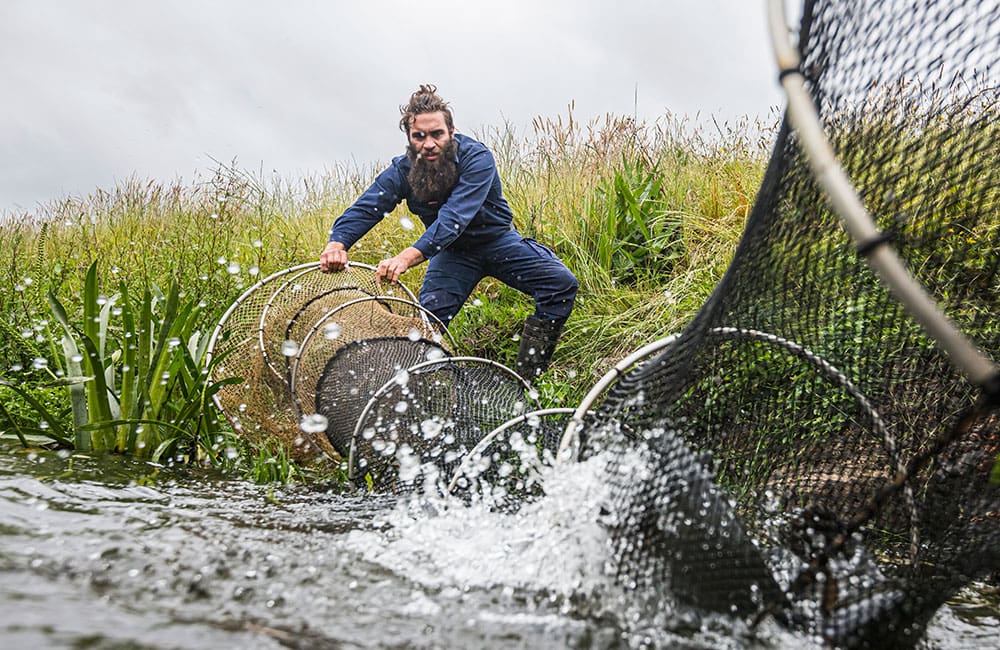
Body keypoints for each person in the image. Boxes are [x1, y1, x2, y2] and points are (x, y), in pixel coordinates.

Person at [319, 84, 577, 380]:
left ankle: (527, 380)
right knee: (424, 331)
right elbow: (367, 207)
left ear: (451, 131)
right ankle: (414, 388)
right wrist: (337, 243)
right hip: (453, 256)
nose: (428, 143)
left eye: (436, 134)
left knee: (561, 284)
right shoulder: (401, 171)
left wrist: (405, 257)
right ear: (409, 139)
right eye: (419, 136)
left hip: (499, 242)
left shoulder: (477, 159)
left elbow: (454, 218)